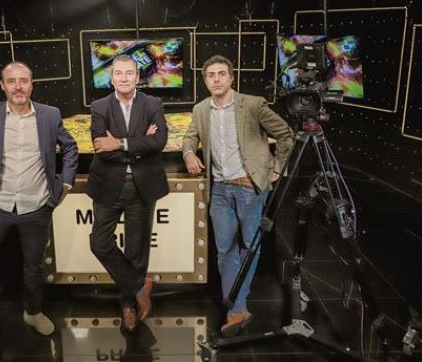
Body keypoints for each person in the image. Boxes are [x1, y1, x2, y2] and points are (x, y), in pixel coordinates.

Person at [0, 61, 78, 336]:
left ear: (32, 84)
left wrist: (65, 182)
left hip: (36, 205)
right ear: (3, 85)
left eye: (23, 81)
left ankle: (33, 312)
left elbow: (69, 147)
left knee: (33, 264)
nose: (18, 86)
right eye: (12, 81)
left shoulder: (49, 115)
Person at [182, 55, 293, 337]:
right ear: (205, 81)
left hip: (249, 187)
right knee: (224, 250)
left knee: (249, 245)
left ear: (232, 78)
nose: (217, 79)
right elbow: (190, 136)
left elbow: (286, 135)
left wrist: (277, 169)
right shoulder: (200, 110)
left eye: (222, 74)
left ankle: (235, 305)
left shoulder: (252, 105)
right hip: (219, 190)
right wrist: (188, 153)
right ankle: (237, 308)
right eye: (211, 75)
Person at [86, 54, 169, 332]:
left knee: (137, 251)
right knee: (99, 243)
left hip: (142, 186)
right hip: (108, 185)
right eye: (118, 73)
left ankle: (127, 305)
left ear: (138, 77)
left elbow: (159, 141)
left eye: (129, 73)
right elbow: (101, 148)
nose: (123, 78)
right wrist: (138, 145)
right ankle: (138, 286)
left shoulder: (153, 103)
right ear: (111, 78)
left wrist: (119, 143)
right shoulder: (99, 106)